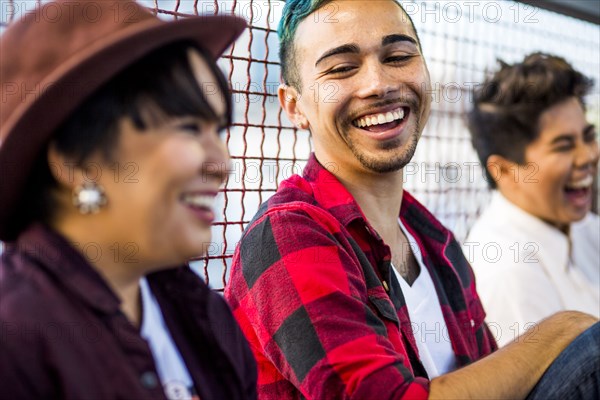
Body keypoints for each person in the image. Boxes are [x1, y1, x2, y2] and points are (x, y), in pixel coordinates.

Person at [224, 1, 599, 399]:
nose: (379, 83)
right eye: (341, 68)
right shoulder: (288, 235)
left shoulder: (434, 240)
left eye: (398, 56)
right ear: (294, 106)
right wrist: (560, 331)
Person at [0, 1, 256, 399]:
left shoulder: (206, 319)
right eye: (189, 128)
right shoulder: (15, 341)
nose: (222, 165)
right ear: (75, 161)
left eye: (218, 131)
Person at [466, 53, 600, 346]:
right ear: (504, 170)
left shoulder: (586, 227)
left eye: (588, 137)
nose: (588, 156)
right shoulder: (505, 271)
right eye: (564, 146)